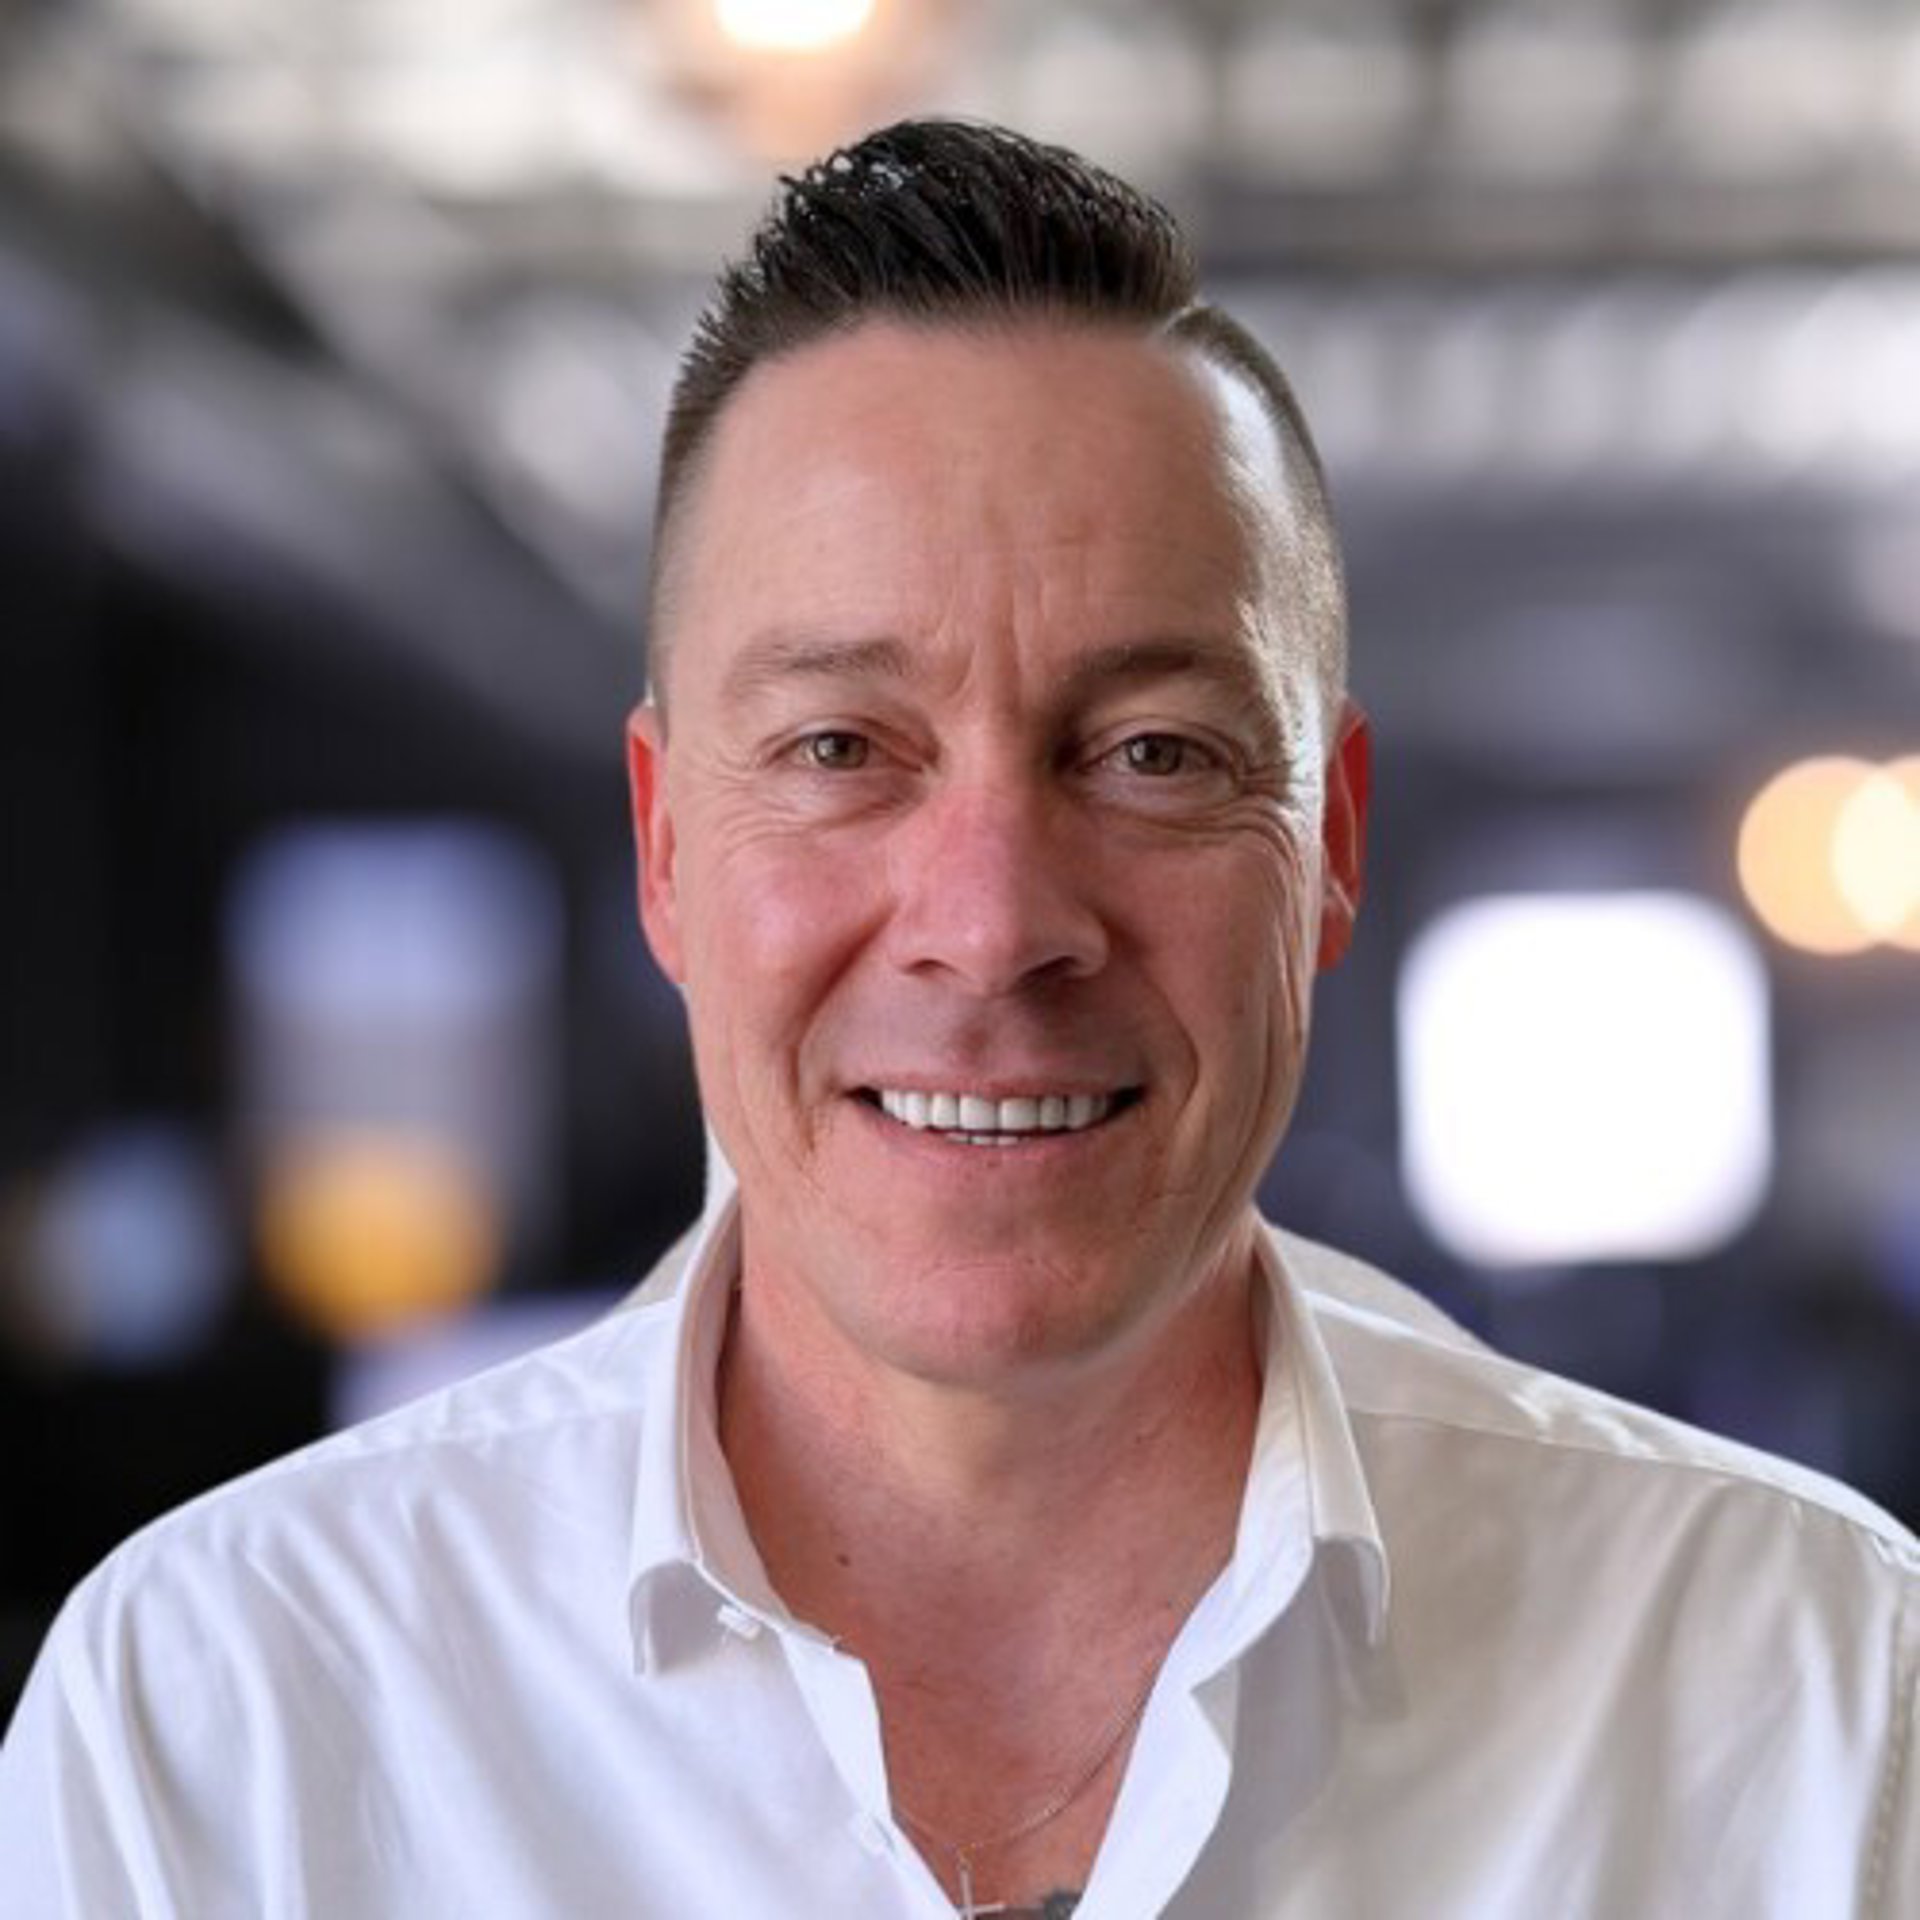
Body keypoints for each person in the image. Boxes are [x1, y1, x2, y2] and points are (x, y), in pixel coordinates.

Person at [1, 118, 1913, 1920]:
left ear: (1330, 848)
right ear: (665, 848)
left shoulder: (1812, 1694)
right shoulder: (224, 1720)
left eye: (1152, 753)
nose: (993, 930)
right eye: (842, 749)